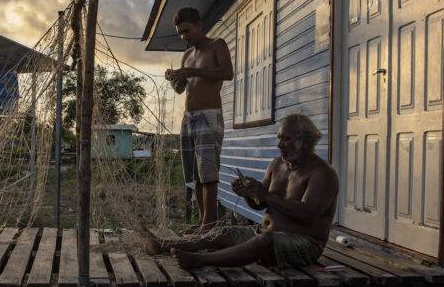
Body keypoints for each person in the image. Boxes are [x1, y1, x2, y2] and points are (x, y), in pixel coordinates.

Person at [145, 113, 339, 270]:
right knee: (223, 233)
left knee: (264, 241)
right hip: (265, 233)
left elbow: (307, 215)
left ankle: (199, 260)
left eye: (286, 139)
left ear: (305, 141)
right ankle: (164, 245)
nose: (280, 145)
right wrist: (248, 194)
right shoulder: (276, 165)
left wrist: (266, 195)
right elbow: (260, 204)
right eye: (279, 138)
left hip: (304, 244)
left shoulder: (322, 173)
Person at [165, 7, 234, 232]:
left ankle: (209, 223)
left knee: (208, 172)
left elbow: (227, 73)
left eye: (187, 31)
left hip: (208, 115)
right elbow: (180, 89)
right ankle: (202, 220)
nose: (184, 36)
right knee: (194, 174)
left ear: (198, 25)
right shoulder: (187, 55)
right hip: (188, 119)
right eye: (180, 33)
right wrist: (174, 77)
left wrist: (192, 72)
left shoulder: (217, 45)